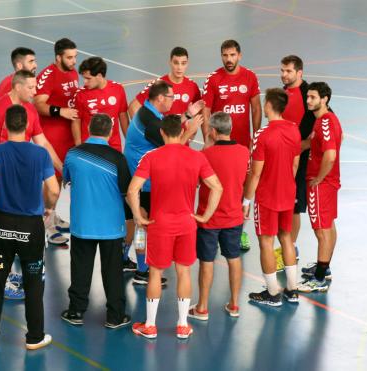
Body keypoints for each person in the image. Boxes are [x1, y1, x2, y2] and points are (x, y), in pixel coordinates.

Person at [128, 115, 222, 340]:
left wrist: (138, 216)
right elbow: (217, 187)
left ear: (161, 133)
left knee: (155, 272)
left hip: (160, 224)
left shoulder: (151, 157)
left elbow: (133, 191)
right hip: (187, 223)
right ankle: (182, 325)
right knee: (184, 272)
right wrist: (205, 215)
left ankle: (150, 326)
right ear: (182, 132)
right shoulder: (196, 157)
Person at [0, 104, 59, 350]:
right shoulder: (40, 154)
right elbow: (53, 189)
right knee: (34, 283)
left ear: (5, 126)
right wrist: (49, 208)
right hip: (31, 228)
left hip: (2, 227)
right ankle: (34, 337)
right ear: (28, 127)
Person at [0, 70, 64, 300]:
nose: (35, 91)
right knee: (1, 234)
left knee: (21, 230)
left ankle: (8, 273)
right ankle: (3, 277)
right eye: (30, 87)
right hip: (0, 182)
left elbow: (43, 142)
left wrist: (61, 168)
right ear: (17, 87)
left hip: (23, 180)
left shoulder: (29, 110)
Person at [124, 79, 203, 285]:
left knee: (138, 222)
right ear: (160, 98)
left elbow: (167, 126)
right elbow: (174, 145)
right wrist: (190, 128)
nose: (173, 100)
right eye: (171, 97)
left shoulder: (149, 112)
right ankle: (142, 270)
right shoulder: (150, 123)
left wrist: (186, 115)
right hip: (143, 182)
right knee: (142, 223)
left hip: (141, 176)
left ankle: (124, 258)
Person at [60, 114, 132, 329]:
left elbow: (67, 178)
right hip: (111, 227)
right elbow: (126, 191)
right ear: (111, 132)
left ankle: (76, 311)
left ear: (88, 129)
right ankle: (115, 316)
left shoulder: (73, 154)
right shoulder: (117, 158)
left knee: (80, 268)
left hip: (83, 224)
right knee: (113, 272)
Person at [243, 88, 301, 307]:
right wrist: (286, 182)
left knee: (266, 242)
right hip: (288, 193)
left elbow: (256, 173)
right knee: (287, 238)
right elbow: (294, 164)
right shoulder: (294, 130)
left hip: (267, 197)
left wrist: (246, 201)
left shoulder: (263, 135)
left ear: (268, 105)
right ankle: (293, 290)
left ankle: (273, 292)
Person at [202, 39, 261, 252]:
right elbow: (206, 110)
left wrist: (256, 136)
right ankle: (213, 226)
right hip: (219, 145)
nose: (229, 59)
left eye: (232, 55)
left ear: (239, 55)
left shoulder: (250, 77)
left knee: (242, 187)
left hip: (242, 145)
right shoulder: (214, 78)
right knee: (215, 184)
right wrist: (208, 139)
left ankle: (239, 230)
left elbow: (255, 108)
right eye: (225, 55)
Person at [188, 112, 249, 320]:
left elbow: (195, 182)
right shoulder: (244, 152)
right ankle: (234, 304)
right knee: (234, 259)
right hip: (234, 216)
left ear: (213, 131)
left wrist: (206, 145)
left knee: (207, 261)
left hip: (209, 218)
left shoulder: (205, 155)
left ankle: (202, 308)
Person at [297, 82, 342, 292]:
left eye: (313, 97)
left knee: (321, 231)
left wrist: (318, 178)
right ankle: (325, 267)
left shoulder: (324, 122)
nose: (308, 101)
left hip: (320, 184)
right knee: (329, 226)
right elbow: (309, 143)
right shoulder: (327, 120)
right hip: (330, 183)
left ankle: (320, 278)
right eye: (307, 97)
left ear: (324, 99)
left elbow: (330, 155)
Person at [33, 38, 80, 239]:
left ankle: (52, 216)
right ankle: (45, 226)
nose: (74, 61)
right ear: (58, 57)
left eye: (75, 57)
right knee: (51, 182)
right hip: (51, 137)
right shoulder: (48, 75)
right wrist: (61, 111)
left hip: (68, 136)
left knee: (60, 180)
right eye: (69, 57)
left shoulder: (72, 72)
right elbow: (38, 104)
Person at [276, 55, 316, 266]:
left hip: (299, 161)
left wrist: (302, 147)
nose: (284, 74)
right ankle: (287, 246)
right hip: (281, 158)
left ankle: (290, 249)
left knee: (294, 206)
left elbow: (325, 122)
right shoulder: (283, 93)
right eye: (282, 70)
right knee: (282, 202)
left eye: (288, 71)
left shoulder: (308, 95)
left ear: (299, 73)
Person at [128, 47, 202, 123]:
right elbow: (133, 107)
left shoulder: (192, 86)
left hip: (184, 134)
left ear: (187, 64)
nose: (179, 67)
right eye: (176, 63)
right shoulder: (159, 85)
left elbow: (199, 111)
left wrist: (191, 131)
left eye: (183, 63)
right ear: (170, 62)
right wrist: (144, 132)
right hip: (162, 134)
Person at [71, 57, 129, 152]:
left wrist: (129, 140)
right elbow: (76, 121)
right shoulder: (80, 94)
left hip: (113, 146)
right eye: (84, 78)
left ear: (99, 75)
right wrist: (78, 146)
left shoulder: (118, 89)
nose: (84, 82)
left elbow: (123, 116)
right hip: (89, 147)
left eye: (88, 78)